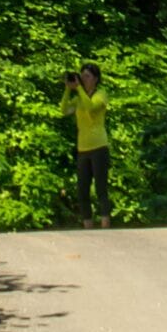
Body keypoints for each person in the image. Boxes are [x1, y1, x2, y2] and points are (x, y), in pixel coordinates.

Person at [62, 63, 110, 226]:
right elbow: (63, 110)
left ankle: (105, 223)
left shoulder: (101, 94)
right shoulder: (78, 98)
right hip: (83, 148)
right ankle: (87, 224)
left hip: (99, 146)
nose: (83, 79)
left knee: (100, 188)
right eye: (82, 76)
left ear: (95, 79)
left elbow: (90, 107)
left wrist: (80, 90)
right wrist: (69, 89)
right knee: (82, 189)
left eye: (87, 76)